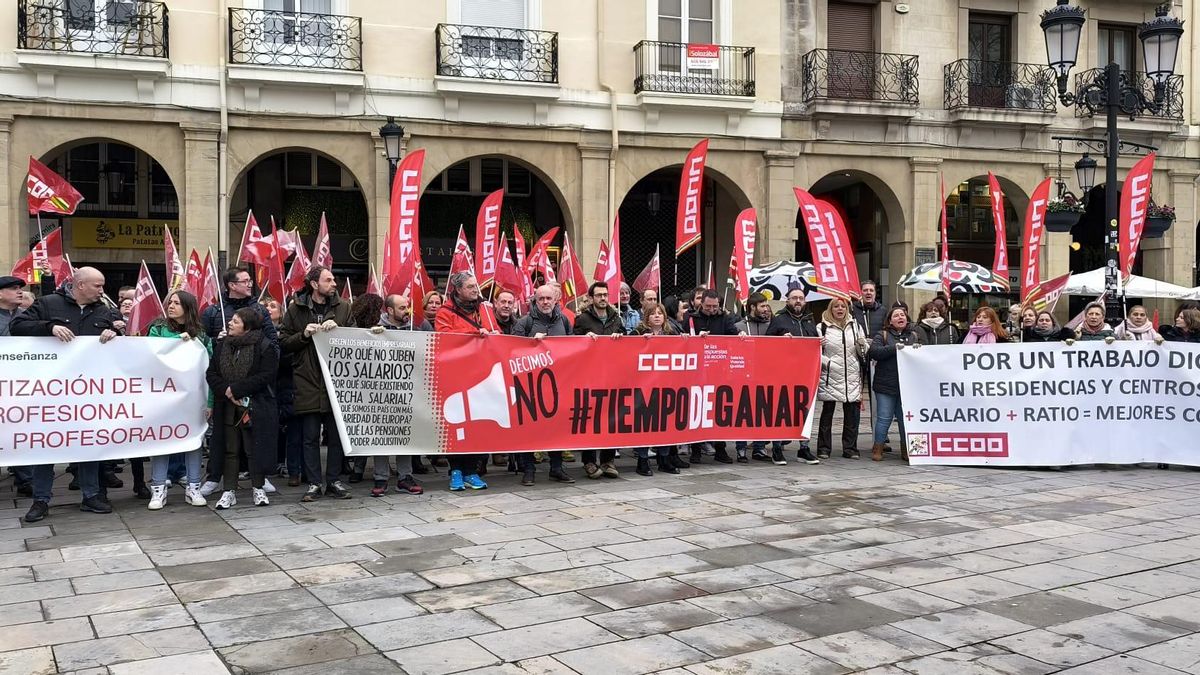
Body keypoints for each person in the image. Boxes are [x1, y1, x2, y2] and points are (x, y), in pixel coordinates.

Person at [12, 267, 123, 522]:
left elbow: (115, 341)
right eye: (97, 285)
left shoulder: (102, 310)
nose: (102, 290)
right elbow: (18, 326)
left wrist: (113, 333)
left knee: (87, 443)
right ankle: (41, 500)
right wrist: (49, 327)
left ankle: (91, 496)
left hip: (87, 392)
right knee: (47, 445)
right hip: (51, 393)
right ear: (80, 285)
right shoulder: (48, 304)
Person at [280, 266, 353, 502]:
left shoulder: (343, 308)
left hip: (335, 381)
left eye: (333, 279)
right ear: (314, 284)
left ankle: (333, 480)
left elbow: (355, 339)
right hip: (307, 380)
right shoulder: (296, 309)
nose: (334, 284)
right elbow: (283, 342)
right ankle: (313, 483)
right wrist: (303, 335)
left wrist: (340, 332)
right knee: (309, 437)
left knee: (336, 436)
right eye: (328, 280)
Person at [206, 307, 279, 509]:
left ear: (247, 327)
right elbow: (211, 373)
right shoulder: (222, 345)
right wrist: (227, 391)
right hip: (227, 407)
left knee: (253, 448)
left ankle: (258, 487)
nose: (230, 323)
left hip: (255, 406)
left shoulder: (264, 346)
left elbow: (266, 376)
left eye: (236, 321)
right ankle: (229, 490)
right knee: (230, 449)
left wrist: (237, 390)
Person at [146, 290, 212, 509]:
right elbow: (152, 354)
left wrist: (210, 402)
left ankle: (193, 487)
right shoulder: (158, 329)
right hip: (163, 397)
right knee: (162, 440)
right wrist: (177, 340)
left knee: (193, 441)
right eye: (170, 302)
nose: (171, 306)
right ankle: (158, 489)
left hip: (193, 398)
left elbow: (209, 369)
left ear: (188, 307)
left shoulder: (201, 334)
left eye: (176, 303)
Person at [435, 272, 497, 490]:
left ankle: (471, 471)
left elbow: (496, 334)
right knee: (457, 424)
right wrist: (475, 333)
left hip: (480, 376)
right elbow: (446, 339)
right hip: (456, 377)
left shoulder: (485, 309)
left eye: (475, 286)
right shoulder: (445, 312)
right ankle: (456, 471)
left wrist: (490, 334)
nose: (475, 290)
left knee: (476, 424)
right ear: (458, 289)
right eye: (470, 287)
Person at [511, 285, 576, 485]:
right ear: (535, 301)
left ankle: (556, 468)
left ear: (555, 300)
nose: (545, 302)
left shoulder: (564, 320)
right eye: (541, 299)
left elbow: (573, 346)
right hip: (530, 385)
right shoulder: (525, 322)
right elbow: (511, 349)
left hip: (558, 383)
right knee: (529, 428)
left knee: (556, 427)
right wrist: (531, 343)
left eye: (549, 298)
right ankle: (529, 469)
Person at [363, 294, 427, 497]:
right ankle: (381, 478)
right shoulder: (375, 330)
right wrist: (371, 337)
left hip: (408, 391)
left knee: (405, 434)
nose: (406, 311)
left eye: (407, 307)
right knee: (381, 435)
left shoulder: (415, 330)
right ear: (389, 310)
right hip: (381, 392)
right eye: (401, 308)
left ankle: (404, 477)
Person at [572, 282, 625, 477]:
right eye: (599, 295)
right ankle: (589, 461)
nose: (603, 298)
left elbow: (627, 343)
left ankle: (608, 460)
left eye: (605, 295)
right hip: (590, 376)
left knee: (611, 418)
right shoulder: (582, 319)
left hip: (612, 375)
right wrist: (584, 338)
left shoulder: (616, 318)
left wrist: (621, 336)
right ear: (591, 298)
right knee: (590, 419)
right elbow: (572, 342)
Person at [632, 303, 687, 475]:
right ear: (646, 317)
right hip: (644, 387)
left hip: (666, 386)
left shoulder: (672, 334)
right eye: (653, 313)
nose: (657, 316)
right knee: (644, 424)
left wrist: (688, 340)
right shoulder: (637, 334)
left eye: (660, 313)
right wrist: (639, 343)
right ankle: (642, 460)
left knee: (665, 423)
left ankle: (664, 459)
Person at [766, 286, 819, 464]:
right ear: (787, 300)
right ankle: (777, 449)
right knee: (780, 412)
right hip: (783, 375)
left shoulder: (810, 320)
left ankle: (804, 448)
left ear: (805, 301)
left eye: (801, 298)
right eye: (794, 298)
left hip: (806, 375)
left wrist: (820, 343)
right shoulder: (779, 320)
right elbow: (766, 344)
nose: (798, 301)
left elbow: (814, 344)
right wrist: (780, 341)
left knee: (805, 412)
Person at [815, 298, 867, 461]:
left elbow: (863, 351)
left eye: (843, 306)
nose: (840, 309)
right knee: (827, 414)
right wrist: (827, 362)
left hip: (851, 375)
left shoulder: (856, 326)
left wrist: (862, 344)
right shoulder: (821, 327)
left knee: (852, 415)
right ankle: (823, 448)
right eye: (836, 306)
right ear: (830, 309)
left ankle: (850, 448)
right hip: (830, 375)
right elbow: (816, 352)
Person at [868, 306, 918, 462]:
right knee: (884, 418)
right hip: (885, 384)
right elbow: (874, 352)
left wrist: (918, 350)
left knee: (905, 419)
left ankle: (906, 449)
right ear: (890, 321)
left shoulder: (914, 336)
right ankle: (878, 448)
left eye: (902, 315)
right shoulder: (882, 335)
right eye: (896, 315)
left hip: (907, 386)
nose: (900, 317)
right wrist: (893, 348)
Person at [346, 294, 386, 483]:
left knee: (365, 427)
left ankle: (357, 469)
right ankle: (359, 467)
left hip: (367, 385)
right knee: (367, 427)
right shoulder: (356, 331)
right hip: (367, 385)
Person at [267, 299, 302, 486]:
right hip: (275, 388)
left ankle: (294, 467)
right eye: (266, 306)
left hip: (291, 387)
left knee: (295, 431)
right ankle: (278, 462)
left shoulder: (290, 335)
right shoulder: (266, 333)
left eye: (273, 306)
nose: (268, 309)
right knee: (277, 430)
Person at [201, 266, 277, 344]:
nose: (250, 285)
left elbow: (272, 341)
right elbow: (203, 342)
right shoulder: (212, 312)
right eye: (245, 282)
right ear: (232, 285)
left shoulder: (260, 310)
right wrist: (216, 341)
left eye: (250, 281)